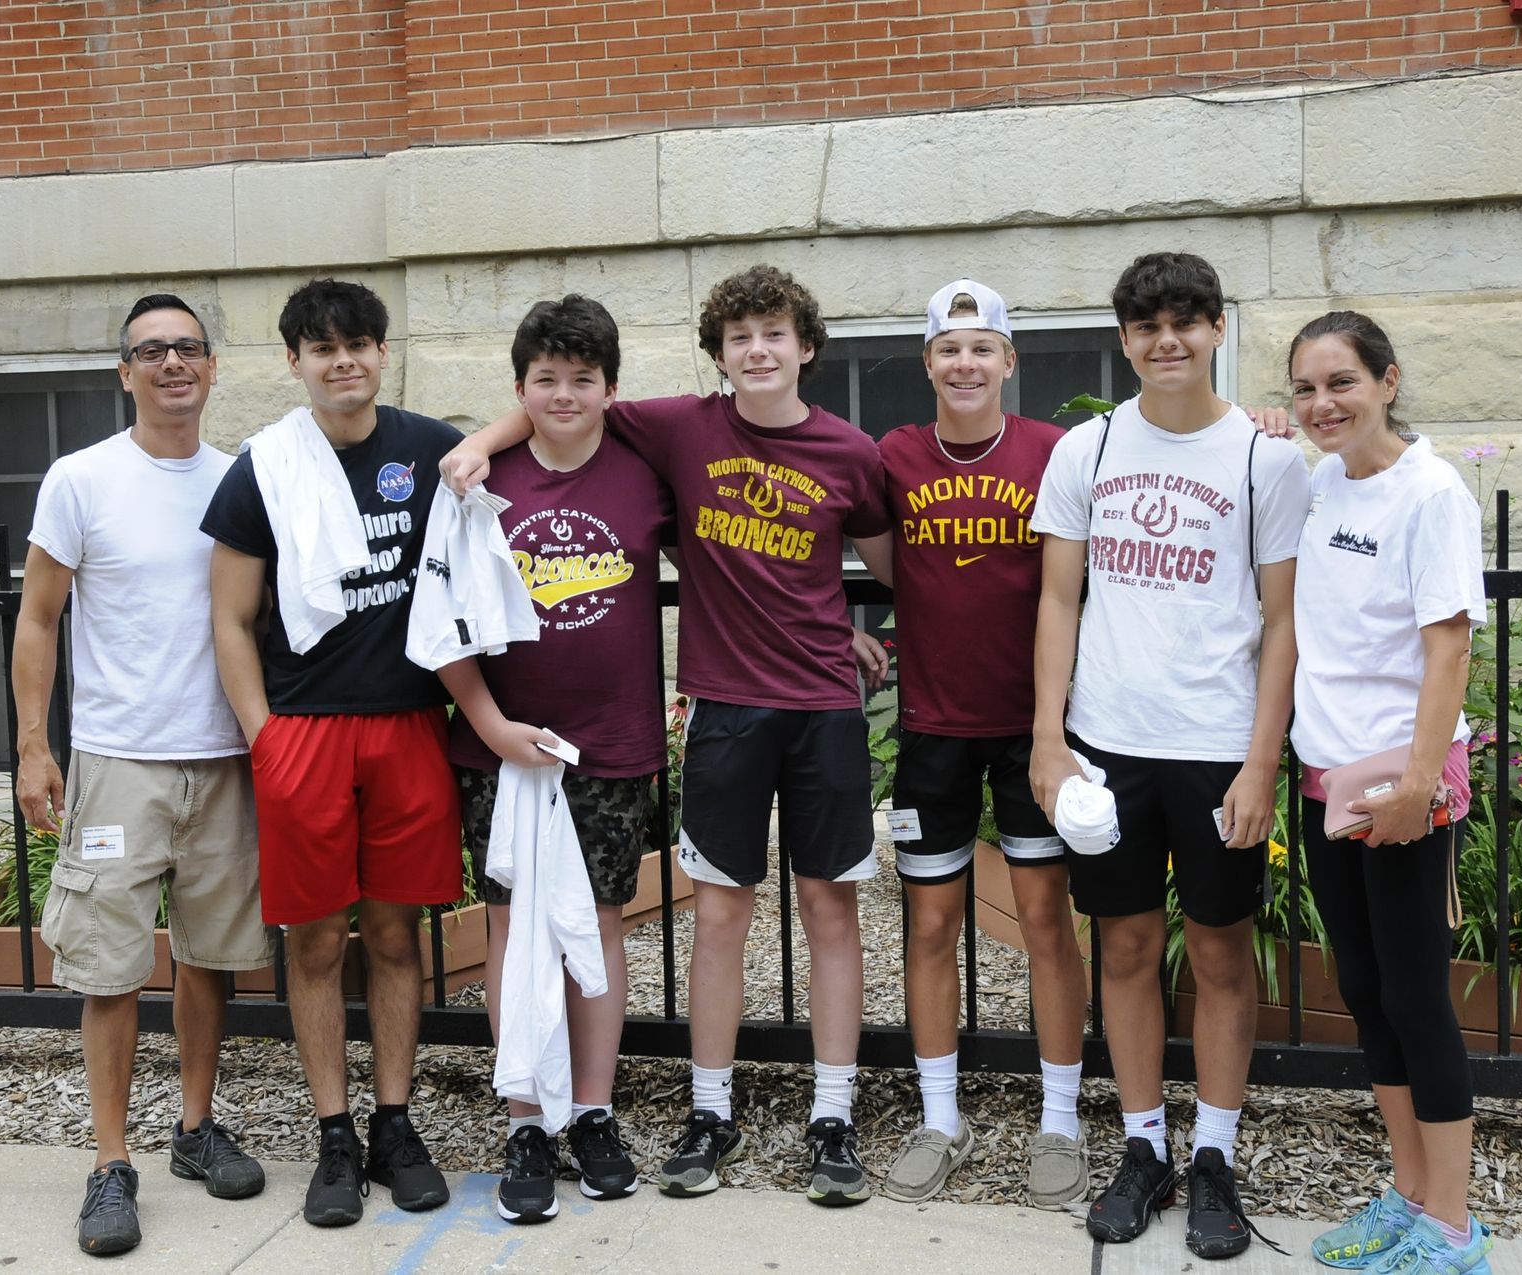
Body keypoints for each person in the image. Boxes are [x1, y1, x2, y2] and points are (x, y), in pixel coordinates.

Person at [441, 264, 894, 1208]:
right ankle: (696, 1108)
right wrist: (480, 440)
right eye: (739, 337)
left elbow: (895, 572)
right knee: (695, 916)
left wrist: (858, 631)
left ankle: (831, 1112)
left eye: (775, 333)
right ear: (718, 354)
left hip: (806, 710)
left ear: (806, 344)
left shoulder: (849, 452)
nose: (758, 350)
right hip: (712, 711)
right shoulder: (678, 429)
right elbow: (556, 399)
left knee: (828, 911)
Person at [1028, 252, 1309, 1257]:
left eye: (1186, 321)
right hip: (1108, 747)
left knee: (1224, 953)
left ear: (1219, 330)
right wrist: (1048, 739)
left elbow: (1282, 623)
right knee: (1129, 949)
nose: (1167, 340)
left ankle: (1216, 1157)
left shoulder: (1263, 458)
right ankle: (1144, 1144)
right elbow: (1059, 599)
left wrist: (1261, 763)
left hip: (1215, 748)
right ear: (1124, 341)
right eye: (1147, 326)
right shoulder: (1087, 449)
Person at [12, 293, 275, 1256]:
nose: (172, 363)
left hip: (223, 757)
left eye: (188, 348)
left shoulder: (243, 477)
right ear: (123, 372)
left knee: (210, 955)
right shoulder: (81, 479)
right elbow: (39, 617)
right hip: (119, 758)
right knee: (112, 967)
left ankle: (196, 1128)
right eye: (151, 351)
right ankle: (109, 1162)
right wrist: (35, 746)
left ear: (210, 366)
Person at [202, 278, 464, 1228]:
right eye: (323, 348)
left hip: (405, 724)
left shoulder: (433, 448)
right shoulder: (262, 469)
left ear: (382, 353)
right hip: (304, 729)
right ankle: (335, 1134)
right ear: (296, 363)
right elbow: (231, 619)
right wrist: (264, 736)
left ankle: (396, 1122)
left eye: (359, 344)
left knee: (394, 935)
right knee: (314, 941)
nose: (343, 360)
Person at [437, 295, 669, 1224]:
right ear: (520, 387)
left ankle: (594, 1110)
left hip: (611, 744)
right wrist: (488, 721)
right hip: (501, 747)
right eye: (545, 381)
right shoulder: (478, 483)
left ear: (611, 386)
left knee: (599, 924)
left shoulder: (647, 474)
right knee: (510, 929)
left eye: (582, 379)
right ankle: (527, 1114)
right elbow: (442, 619)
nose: (564, 395)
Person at [862, 279, 1090, 1210]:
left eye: (982, 347)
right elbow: (880, 561)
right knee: (930, 923)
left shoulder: (1055, 452)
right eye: (949, 349)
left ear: (1008, 363)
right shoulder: (894, 456)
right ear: (928, 364)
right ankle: (939, 1114)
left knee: (1043, 920)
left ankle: (1061, 1120)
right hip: (931, 729)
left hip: (1033, 729)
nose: (965, 363)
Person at [1287, 311, 1493, 1275]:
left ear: (1389, 380)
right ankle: (1410, 1196)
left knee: (1417, 996)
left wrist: (1418, 785)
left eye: (1342, 383)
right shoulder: (1325, 481)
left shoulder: (1432, 493)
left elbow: (1447, 642)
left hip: (1402, 787)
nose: (1323, 405)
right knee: (1367, 992)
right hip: (1328, 776)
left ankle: (1453, 1229)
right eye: (1305, 389)